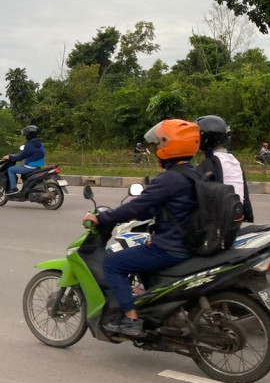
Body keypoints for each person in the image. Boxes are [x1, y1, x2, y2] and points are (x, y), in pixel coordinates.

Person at [83, 119, 201, 337]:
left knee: (113, 264)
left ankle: (131, 318)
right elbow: (158, 209)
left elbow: (136, 206)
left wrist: (103, 217)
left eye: (159, 144)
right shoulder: (194, 174)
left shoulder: (170, 179)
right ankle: (154, 307)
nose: (157, 148)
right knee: (140, 251)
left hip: (171, 247)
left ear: (170, 145)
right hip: (188, 243)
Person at [195, 115, 253, 223]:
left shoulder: (209, 163)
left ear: (206, 139)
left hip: (220, 224)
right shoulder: (233, 160)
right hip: (238, 217)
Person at [3, 125, 45, 194]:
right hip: (37, 167)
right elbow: (26, 154)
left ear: (29, 134)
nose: (25, 136)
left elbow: (20, 157)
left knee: (11, 169)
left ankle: (13, 189)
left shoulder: (30, 145)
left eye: (26, 134)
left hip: (30, 167)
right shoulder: (39, 144)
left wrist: (10, 157)